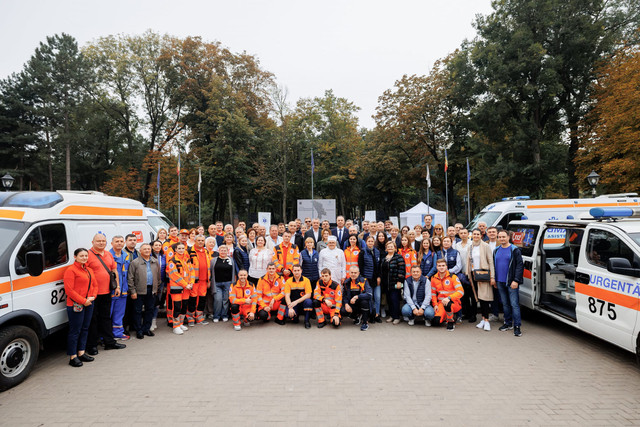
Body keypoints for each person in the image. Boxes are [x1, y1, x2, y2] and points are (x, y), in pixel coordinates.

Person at [86, 233, 125, 354]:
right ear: (92, 242)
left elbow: (114, 271)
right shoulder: (88, 255)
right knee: (93, 320)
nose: (101, 243)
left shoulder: (108, 254)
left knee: (106, 318)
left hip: (107, 292)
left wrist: (117, 286)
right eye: (98, 241)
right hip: (93, 294)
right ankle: (92, 346)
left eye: (103, 241)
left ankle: (109, 342)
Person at [64, 248, 98, 367]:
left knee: (85, 328)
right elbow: (69, 290)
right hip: (76, 304)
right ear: (75, 257)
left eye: (85, 256)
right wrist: (83, 301)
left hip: (89, 303)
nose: (84, 258)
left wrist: (92, 297)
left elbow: (94, 285)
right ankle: (73, 356)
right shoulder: (71, 270)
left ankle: (81, 352)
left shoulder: (89, 270)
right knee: (75, 331)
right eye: (81, 256)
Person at [494, 230, 524, 337]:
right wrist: (494, 280)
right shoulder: (496, 250)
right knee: (505, 304)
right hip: (500, 281)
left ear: (508, 237)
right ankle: (507, 323)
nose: (501, 239)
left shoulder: (514, 250)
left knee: (514, 304)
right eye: (500, 237)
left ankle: (517, 326)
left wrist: (516, 280)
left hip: (511, 282)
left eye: (503, 237)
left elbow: (520, 266)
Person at [127, 243, 160, 339]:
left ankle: (146, 328)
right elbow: (130, 278)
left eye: (148, 249)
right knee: (137, 311)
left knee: (149, 310)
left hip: (151, 290)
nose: (147, 251)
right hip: (139, 290)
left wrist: (156, 288)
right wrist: (132, 291)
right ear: (140, 251)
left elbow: (158, 277)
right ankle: (139, 330)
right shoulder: (135, 262)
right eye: (144, 249)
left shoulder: (155, 261)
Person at [466, 229, 495, 331]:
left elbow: (491, 262)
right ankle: (483, 319)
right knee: (478, 297)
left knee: (484, 298)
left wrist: (492, 277)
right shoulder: (471, 246)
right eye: (474, 234)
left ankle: (486, 320)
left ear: (481, 235)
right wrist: (468, 273)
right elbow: (469, 261)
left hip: (483, 274)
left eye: (478, 234)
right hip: (474, 275)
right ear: (472, 235)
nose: (476, 236)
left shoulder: (485, 246)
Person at [166, 242, 195, 335]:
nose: (181, 250)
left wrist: (191, 283)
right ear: (175, 250)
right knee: (177, 307)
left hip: (187, 287)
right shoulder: (172, 261)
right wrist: (185, 284)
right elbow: (174, 275)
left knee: (184, 306)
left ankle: (181, 323)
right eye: (179, 248)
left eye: (183, 248)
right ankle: (176, 326)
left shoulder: (187, 260)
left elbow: (192, 271)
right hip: (177, 288)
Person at [431, 258, 464, 331]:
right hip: (441, 304)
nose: (441, 267)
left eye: (443, 265)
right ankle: (446, 316)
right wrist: (435, 304)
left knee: (448, 304)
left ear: (446, 267)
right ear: (436, 267)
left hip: (454, 303)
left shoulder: (453, 277)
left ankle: (450, 321)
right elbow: (433, 293)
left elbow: (461, 291)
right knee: (436, 321)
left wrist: (449, 298)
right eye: (439, 266)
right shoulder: (433, 278)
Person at [109, 235, 131, 341]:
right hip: (111, 289)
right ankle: (106, 335)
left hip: (123, 289)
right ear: (112, 243)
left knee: (119, 312)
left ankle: (117, 332)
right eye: (116, 241)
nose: (119, 243)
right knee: (109, 313)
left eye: (121, 241)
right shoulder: (108, 256)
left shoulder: (125, 255)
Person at [188, 235, 212, 326]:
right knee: (193, 299)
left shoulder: (206, 251)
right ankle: (190, 317)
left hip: (204, 280)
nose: (201, 242)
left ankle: (199, 317)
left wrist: (208, 279)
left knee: (202, 299)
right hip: (194, 280)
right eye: (199, 240)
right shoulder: (190, 251)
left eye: (202, 240)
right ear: (195, 241)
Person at [380, 241, 405, 324]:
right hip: (386, 283)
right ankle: (391, 316)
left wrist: (399, 281)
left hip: (395, 282)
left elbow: (401, 270)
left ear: (395, 248)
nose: (390, 248)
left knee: (395, 300)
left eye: (392, 246)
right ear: (386, 248)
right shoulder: (384, 258)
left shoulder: (398, 257)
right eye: (388, 247)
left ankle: (397, 317)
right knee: (389, 300)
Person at [341, 266, 373, 331]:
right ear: (349, 273)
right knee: (343, 311)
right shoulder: (346, 283)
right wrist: (346, 304)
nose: (353, 274)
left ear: (358, 273)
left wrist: (357, 297)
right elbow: (344, 295)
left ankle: (365, 323)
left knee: (364, 302)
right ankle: (356, 317)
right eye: (352, 272)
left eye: (355, 273)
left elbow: (369, 294)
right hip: (353, 305)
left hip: (363, 305)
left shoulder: (364, 281)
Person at [358, 235, 381, 323]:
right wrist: (364, 279)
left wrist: (379, 276)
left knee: (377, 297)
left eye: (372, 241)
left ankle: (377, 314)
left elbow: (378, 266)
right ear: (366, 242)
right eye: (369, 241)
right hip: (367, 279)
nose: (370, 243)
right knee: (369, 298)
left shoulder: (377, 252)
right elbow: (361, 266)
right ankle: (370, 315)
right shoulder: (363, 252)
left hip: (376, 278)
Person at [211, 245, 235, 323]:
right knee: (218, 299)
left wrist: (233, 283)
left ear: (227, 251)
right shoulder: (214, 260)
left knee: (226, 300)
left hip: (228, 283)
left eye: (225, 250)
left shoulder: (231, 260)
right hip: (217, 283)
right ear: (218, 251)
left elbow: (233, 272)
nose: (223, 252)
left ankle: (224, 315)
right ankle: (216, 316)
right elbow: (211, 272)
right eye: (221, 250)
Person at [150, 240, 167, 331]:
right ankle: (148, 321)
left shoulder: (163, 256)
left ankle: (154, 320)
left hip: (161, 283)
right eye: (156, 245)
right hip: (151, 283)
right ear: (152, 246)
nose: (157, 247)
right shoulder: (149, 256)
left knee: (157, 303)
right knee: (150, 303)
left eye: (159, 245)